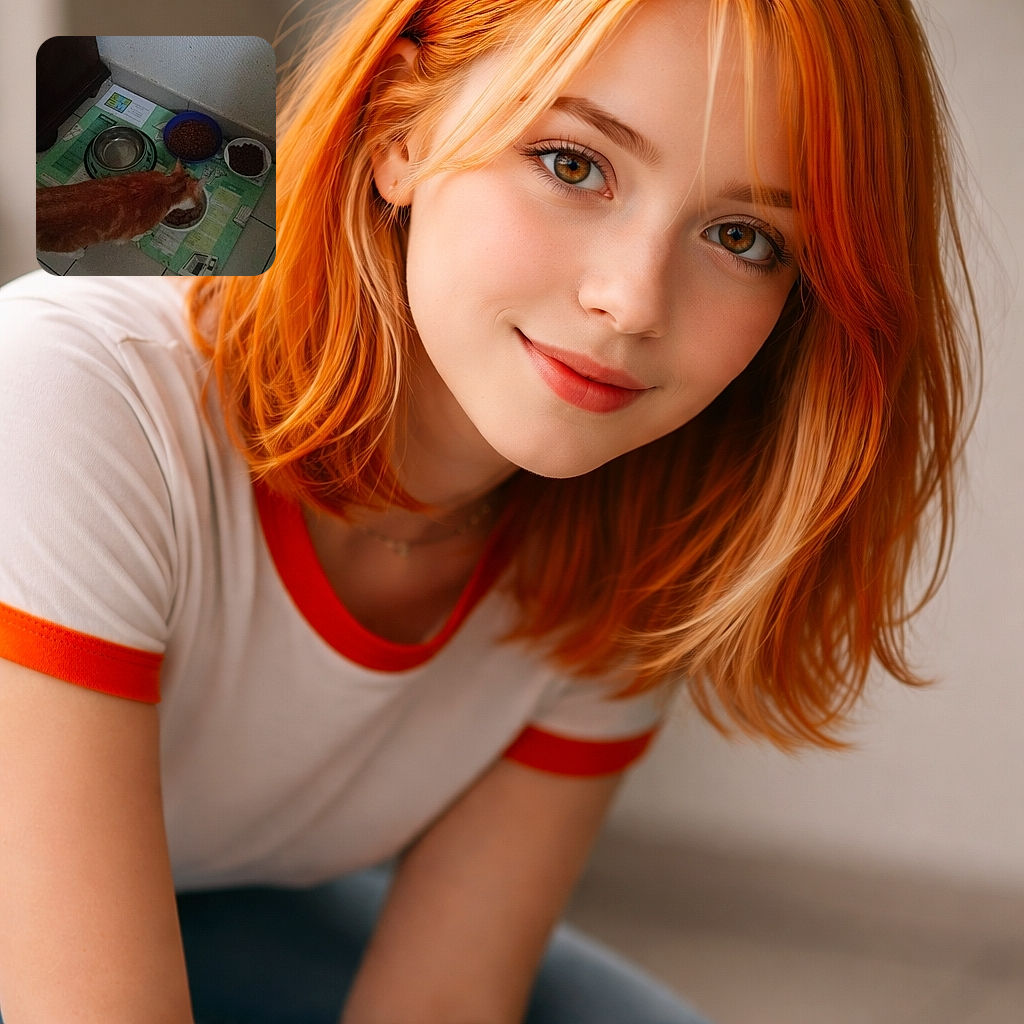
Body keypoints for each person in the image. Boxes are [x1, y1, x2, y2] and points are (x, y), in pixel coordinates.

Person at [0, 0, 977, 1020]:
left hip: (208, 901)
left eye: (742, 236)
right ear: (398, 130)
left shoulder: (632, 551)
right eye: (572, 163)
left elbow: (446, 995)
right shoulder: (78, 393)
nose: (633, 300)